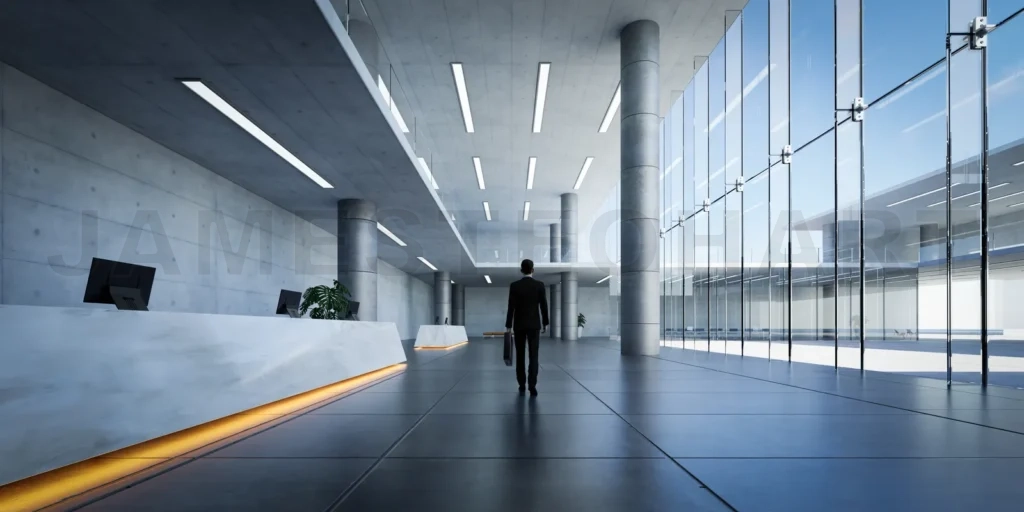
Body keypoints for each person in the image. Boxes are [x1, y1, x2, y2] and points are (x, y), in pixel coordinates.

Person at [505, 259, 549, 396]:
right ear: (533, 270)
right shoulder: (539, 285)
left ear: (521, 270)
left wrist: (508, 325)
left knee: (520, 356)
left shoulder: (514, 286)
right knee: (534, 355)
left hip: (519, 325)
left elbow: (511, 307)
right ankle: (532, 385)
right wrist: (545, 323)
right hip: (534, 325)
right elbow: (543, 305)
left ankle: (521, 384)